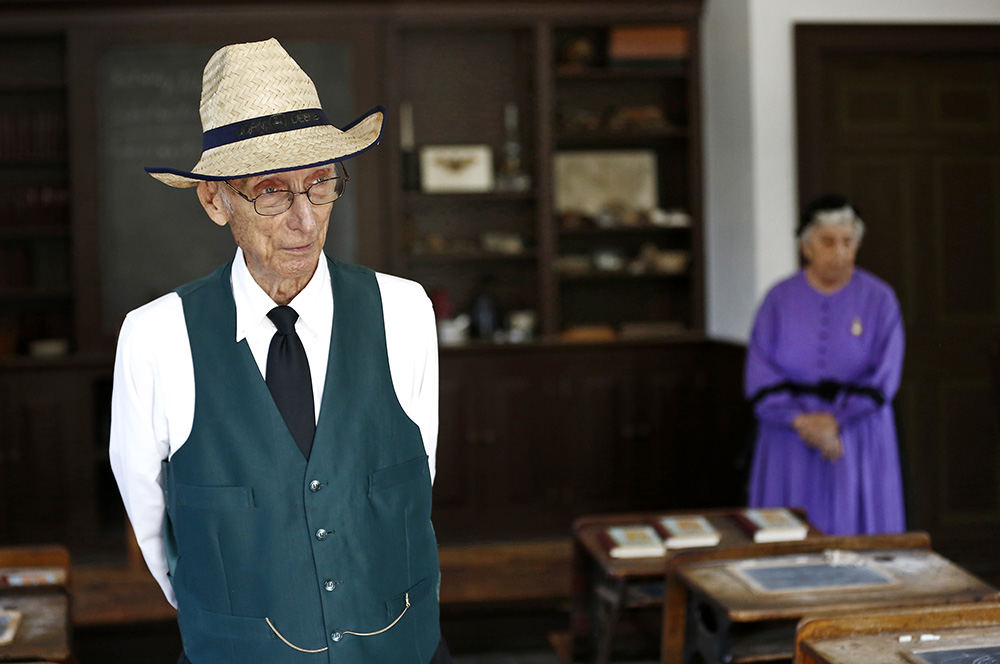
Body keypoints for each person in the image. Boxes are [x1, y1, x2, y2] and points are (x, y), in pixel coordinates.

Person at [109, 38, 449, 664]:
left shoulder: (404, 311)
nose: (305, 219)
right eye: (271, 192)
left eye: (320, 184)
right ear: (215, 201)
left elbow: (413, 476)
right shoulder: (155, 337)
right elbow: (152, 522)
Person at [744, 194, 906, 535]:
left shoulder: (880, 299)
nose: (840, 252)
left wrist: (835, 421)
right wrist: (802, 421)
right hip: (790, 437)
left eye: (848, 242)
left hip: (856, 436)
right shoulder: (778, 300)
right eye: (828, 242)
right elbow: (759, 372)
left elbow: (885, 373)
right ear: (807, 247)